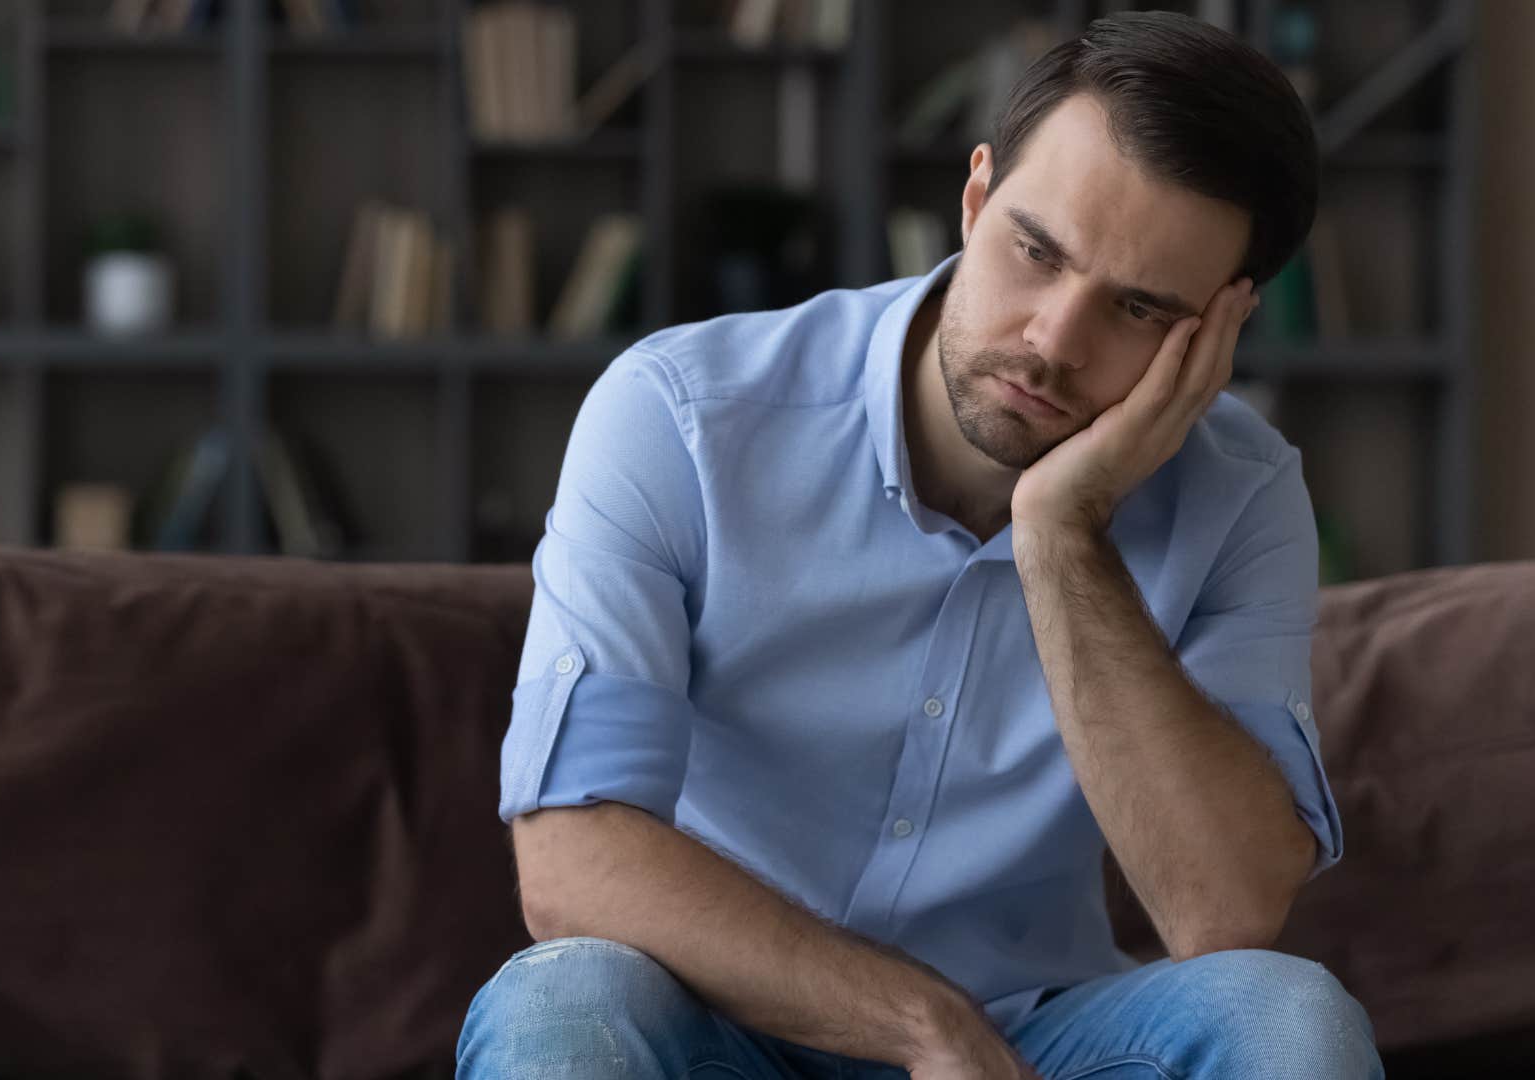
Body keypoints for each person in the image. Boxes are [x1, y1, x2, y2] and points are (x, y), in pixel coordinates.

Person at [458, 10, 1378, 1079]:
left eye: (1136, 309)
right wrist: (919, 1025)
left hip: (1037, 1039)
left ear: (1222, 328)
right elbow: (573, 860)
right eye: (1036, 252)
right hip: (715, 1022)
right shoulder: (680, 417)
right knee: (568, 997)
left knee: (1288, 1019)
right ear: (976, 195)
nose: (1053, 342)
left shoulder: (1243, 498)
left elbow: (1223, 914)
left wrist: (1062, 534)